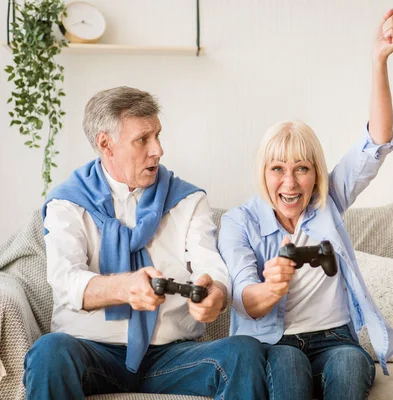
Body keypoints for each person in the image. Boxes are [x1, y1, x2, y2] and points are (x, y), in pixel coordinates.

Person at [23, 86, 268, 399]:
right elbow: (65, 281)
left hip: (171, 357)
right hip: (91, 352)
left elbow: (213, 268)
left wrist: (215, 295)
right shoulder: (67, 204)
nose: (158, 150)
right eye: (142, 139)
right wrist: (123, 288)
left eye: (158, 135)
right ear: (105, 144)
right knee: (49, 352)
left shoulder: (188, 200)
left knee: (243, 352)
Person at [218, 9, 393, 400]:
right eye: (278, 169)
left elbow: (377, 142)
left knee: (352, 363)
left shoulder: (328, 200)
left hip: (334, 339)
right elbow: (244, 300)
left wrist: (379, 62)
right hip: (275, 342)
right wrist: (272, 288)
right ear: (263, 172)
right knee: (288, 365)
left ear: (316, 173)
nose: (290, 182)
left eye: (302, 168)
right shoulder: (239, 222)